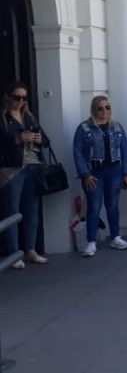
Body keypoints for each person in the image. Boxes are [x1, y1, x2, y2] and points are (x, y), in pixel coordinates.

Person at [72, 96, 127, 257]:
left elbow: (125, 150)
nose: (104, 111)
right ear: (94, 109)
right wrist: (85, 174)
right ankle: (91, 242)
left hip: (114, 170)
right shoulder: (84, 128)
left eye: (107, 107)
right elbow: (77, 152)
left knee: (113, 205)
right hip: (94, 172)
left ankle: (116, 237)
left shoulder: (116, 127)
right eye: (100, 108)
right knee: (93, 206)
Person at [0, 82, 49, 269]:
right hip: (12, 170)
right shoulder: (3, 118)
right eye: (16, 97)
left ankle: (30, 250)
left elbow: (46, 140)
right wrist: (17, 139)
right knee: (12, 212)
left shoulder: (28, 117)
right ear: (7, 97)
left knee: (31, 210)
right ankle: (14, 253)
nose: (20, 101)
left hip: (33, 166)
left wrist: (39, 139)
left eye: (23, 98)